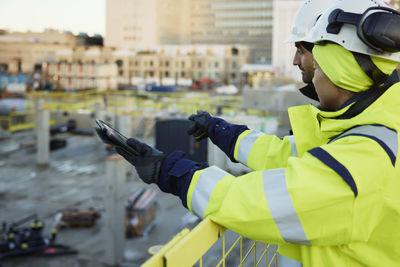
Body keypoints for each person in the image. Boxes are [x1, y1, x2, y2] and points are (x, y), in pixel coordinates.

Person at [112, 0, 400, 266]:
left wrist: (172, 171)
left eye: (319, 64)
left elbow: (255, 203)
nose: (302, 66)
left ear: (342, 71)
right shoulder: (371, 130)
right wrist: (221, 131)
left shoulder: (369, 157)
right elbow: (285, 154)